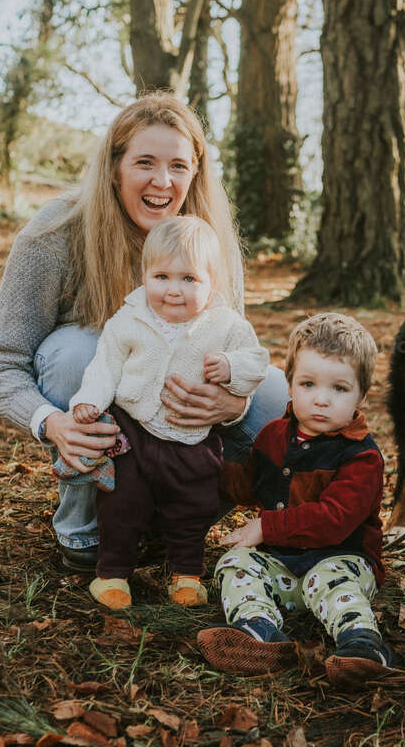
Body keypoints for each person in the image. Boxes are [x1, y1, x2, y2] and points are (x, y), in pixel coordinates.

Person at [0, 92, 290, 573]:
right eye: (144, 162)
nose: (162, 182)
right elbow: (1, 365)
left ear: (196, 173)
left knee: (274, 392)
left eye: (178, 166)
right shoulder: (56, 233)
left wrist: (237, 402)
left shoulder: (210, 241)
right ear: (114, 168)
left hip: (181, 429)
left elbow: (234, 344)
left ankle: (172, 524)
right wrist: (51, 422)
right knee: (77, 353)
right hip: (104, 410)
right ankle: (87, 528)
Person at [65, 216, 270, 609]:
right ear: (145, 276)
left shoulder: (225, 324)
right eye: (161, 277)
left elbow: (256, 361)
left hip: (193, 436)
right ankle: (112, 574)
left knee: (193, 506)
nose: (173, 290)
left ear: (212, 282)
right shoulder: (131, 318)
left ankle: (187, 574)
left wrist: (232, 367)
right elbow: (105, 364)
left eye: (189, 279)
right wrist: (88, 400)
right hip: (134, 429)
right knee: (121, 502)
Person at [197, 313, 393, 684]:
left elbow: (334, 519)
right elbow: (251, 486)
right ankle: (259, 631)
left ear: (362, 396)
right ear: (289, 385)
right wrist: (207, 464)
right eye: (308, 384)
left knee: (330, 579)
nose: (321, 400)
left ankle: (362, 643)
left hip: (343, 560)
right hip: (283, 567)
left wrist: (267, 526)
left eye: (339, 388)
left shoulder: (362, 458)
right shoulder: (274, 436)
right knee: (235, 563)